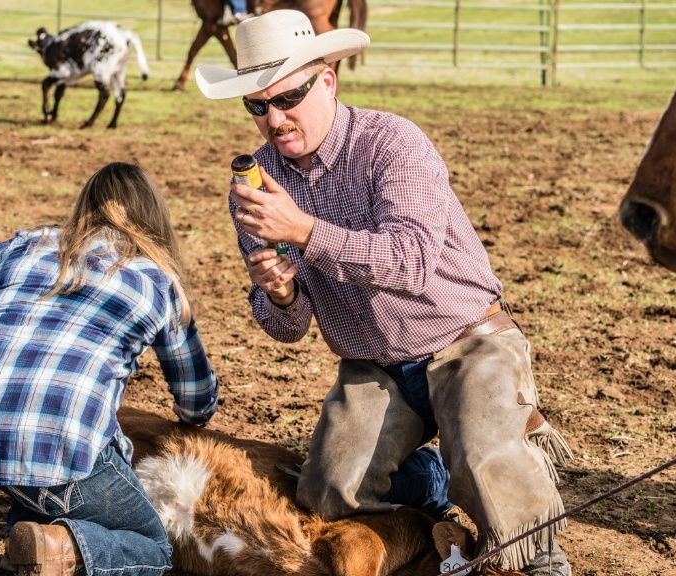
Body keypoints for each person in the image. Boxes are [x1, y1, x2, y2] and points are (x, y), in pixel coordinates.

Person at [195, 10, 573, 576]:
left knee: (485, 467)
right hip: (374, 363)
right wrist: (278, 294)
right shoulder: (255, 187)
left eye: (288, 97)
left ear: (327, 81)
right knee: (326, 492)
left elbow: (413, 263)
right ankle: (434, 480)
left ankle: (542, 555)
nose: (274, 119)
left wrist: (303, 231)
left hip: (465, 337)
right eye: (257, 105)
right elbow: (287, 329)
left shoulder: (392, 144)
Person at [0, 162, 219, 576]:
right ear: (154, 219)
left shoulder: (24, 243)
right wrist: (195, 418)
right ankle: (62, 550)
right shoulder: (160, 282)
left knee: (45, 492)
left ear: (84, 205)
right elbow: (196, 395)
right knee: (152, 547)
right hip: (61, 448)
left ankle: (31, 542)